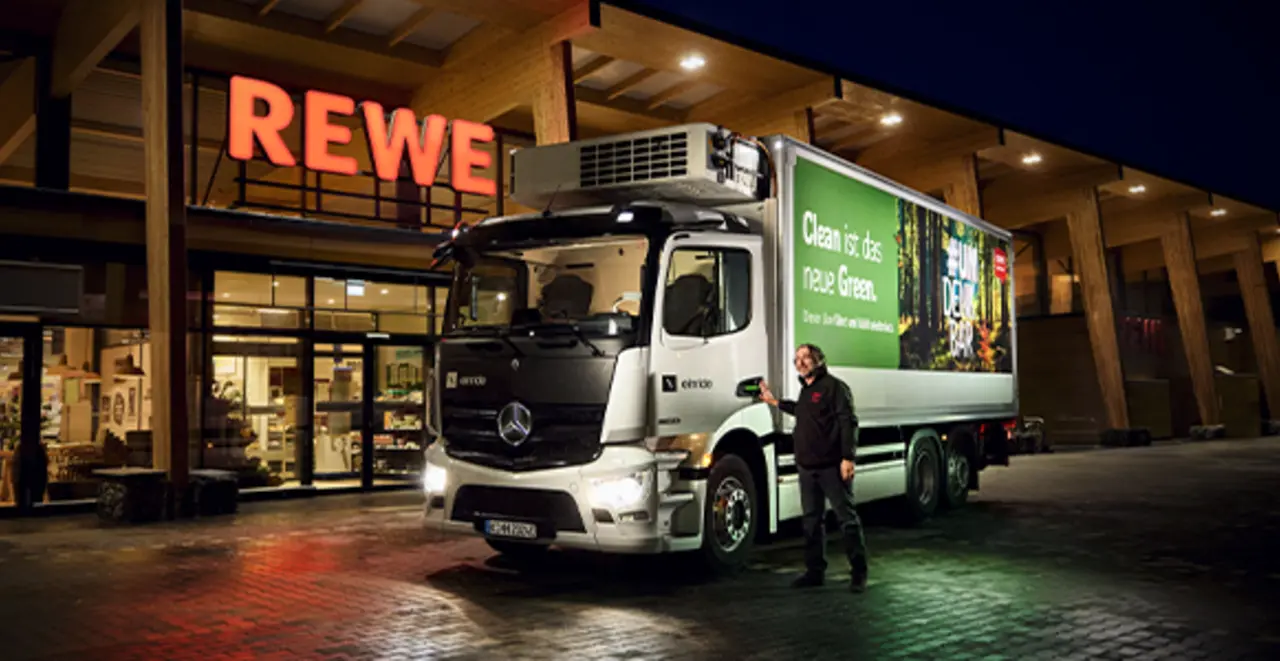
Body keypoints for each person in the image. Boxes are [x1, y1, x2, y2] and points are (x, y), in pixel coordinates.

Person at [759, 343, 868, 593]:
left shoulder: (834, 388)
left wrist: (847, 458)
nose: (801, 362)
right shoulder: (806, 392)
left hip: (832, 466)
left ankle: (859, 572)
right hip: (807, 468)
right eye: (797, 359)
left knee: (846, 520)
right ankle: (814, 572)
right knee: (811, 521)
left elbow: (847, 422)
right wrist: (773, 401)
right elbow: (801, 412)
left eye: (806, 357)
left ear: (818, 360)